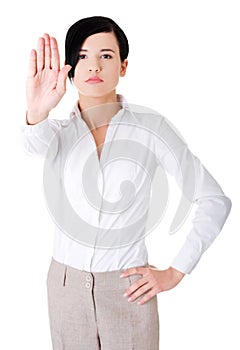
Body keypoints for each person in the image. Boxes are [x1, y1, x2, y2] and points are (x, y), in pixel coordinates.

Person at [21, 16, 231, 350]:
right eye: (83, 56)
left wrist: (176, 271)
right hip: (65, 288)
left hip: (128, 289)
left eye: (105, 55)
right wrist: (37, 109)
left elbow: (214, 200)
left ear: (123, 65)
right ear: (69, 68)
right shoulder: (57, 132)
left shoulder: (151, 128)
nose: (94, 65)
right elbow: (31, 144)